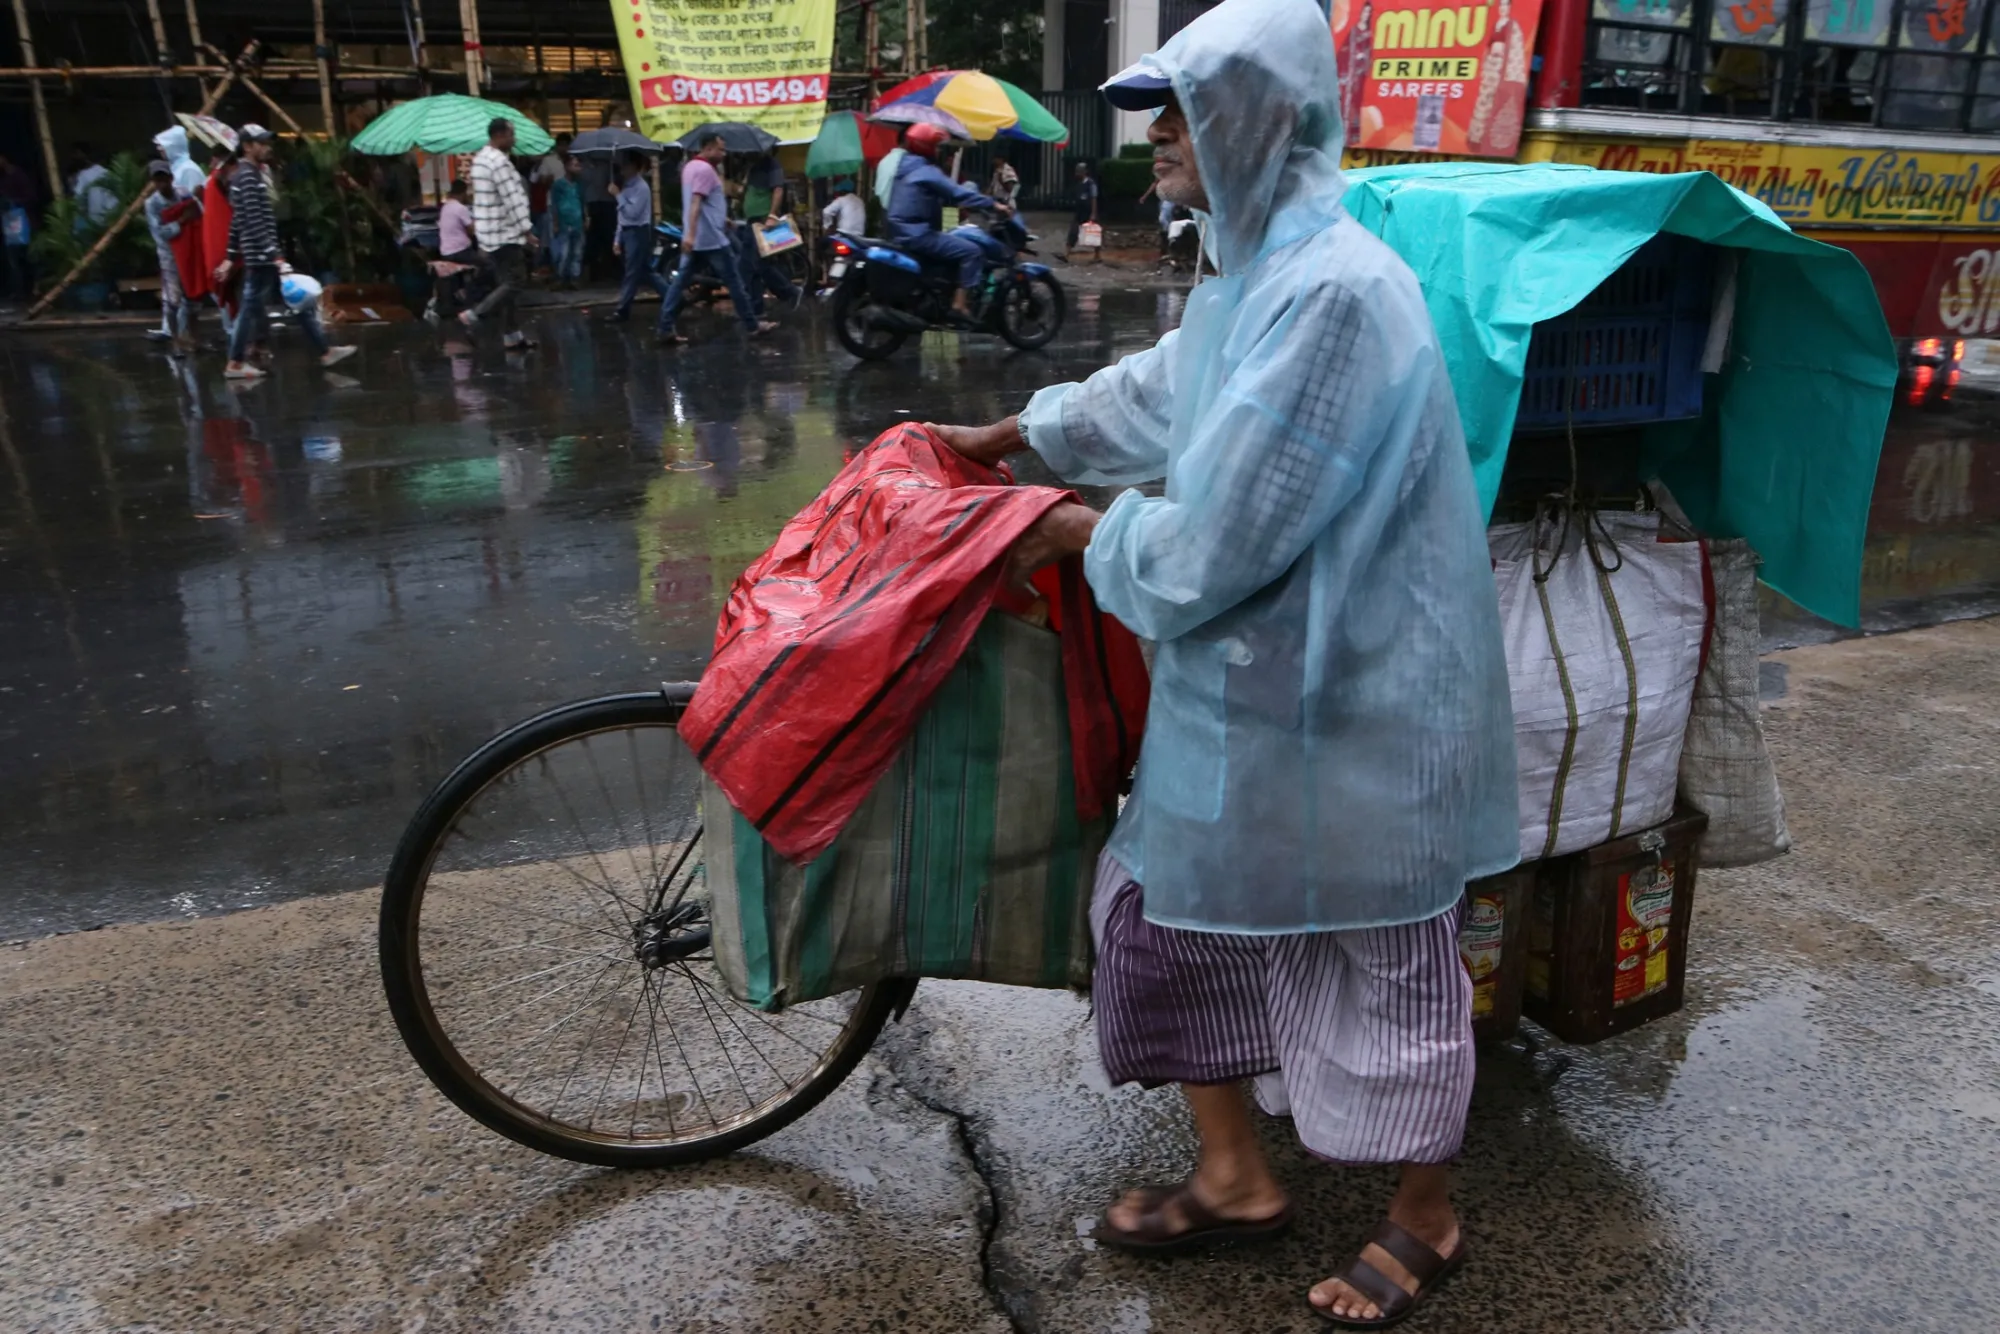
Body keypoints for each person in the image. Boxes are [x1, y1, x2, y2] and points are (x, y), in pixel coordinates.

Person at [926, 0, 1517, 1324]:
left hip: (1359, 700)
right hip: (1247, 693)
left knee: (1384, 964)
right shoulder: (1255, 275)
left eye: (1183, 114)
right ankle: (1237, 1170)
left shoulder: (1342, 295)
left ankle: (1427, 1213)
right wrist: (1013, 433)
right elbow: (1161, 392)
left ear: (1263, 117)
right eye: (1158, 117)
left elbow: (1209, 547)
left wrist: (1060, 527)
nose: (1158, 144)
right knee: (1161, 910)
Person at [216, 125, 357, 379]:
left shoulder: (247, 175)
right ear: (247, 146)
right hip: (261, 256)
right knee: (251, 308)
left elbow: (238, 220)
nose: (267, 148)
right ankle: (235, 362)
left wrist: (229, 255)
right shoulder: (247, 177)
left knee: (297, 302)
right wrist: (275, 255)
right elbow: (253, 221)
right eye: (261, 143)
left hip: (260, 253)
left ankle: (325, 351)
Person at [655, 131, 774, 346]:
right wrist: (690, 235)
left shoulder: (691, 167)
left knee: (680, 282)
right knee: (735, 282)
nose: (724, 154)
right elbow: (696, 204)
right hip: (710, 239)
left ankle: (665, 327)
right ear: (708, 148)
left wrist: (723, 218)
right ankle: (752, 325)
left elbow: (705, 203)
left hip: (701, 237)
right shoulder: (704, 170)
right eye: (721, 149)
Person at [885, 122, 1004, 320]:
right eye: (937, 146)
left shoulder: (905, 167)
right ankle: (959, 305)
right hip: (918, 233)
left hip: (901, 229)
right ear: (926, 147)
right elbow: (957, 192)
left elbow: (938, 195)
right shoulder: (926, 171)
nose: (939, 150)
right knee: (972, 251)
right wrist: (993, 205)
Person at [464, 116, 538, 350]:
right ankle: (476, 315)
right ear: (499, 136)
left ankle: (512, 335)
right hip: (505, 233)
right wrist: (527, 230)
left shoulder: (480, 160)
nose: (514, 139)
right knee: (516, 281)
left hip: (489, 233)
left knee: (506, 285)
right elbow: (512, 199)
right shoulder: (499, 163)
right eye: (511, 134)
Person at [607, 150, 670, 320]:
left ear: (635, 167)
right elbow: (622, 216)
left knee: (632, 272)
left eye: (626, 166)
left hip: (638, 232)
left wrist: (618, 196)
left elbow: (632, 213)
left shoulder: (641, 187)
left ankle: (622, 309)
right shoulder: (626, 186)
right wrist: (617, 239)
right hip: (628, 232)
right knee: (645, 271)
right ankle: (674, 298)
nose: (622, 170)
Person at [143, 160, 195, 351]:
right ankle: (176, 340)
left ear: (171, 178)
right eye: (157, 181)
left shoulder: (183, 194)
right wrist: (181, 221)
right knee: (172, 299)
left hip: (188, 251)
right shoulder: (152, 204)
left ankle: (190, 337)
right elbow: (160, 232)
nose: (162, 184)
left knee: (191, 296)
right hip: (169, 256)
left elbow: (196, 211)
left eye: (164, 179)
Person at [432, 178, 476, 320]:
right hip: (461, 251)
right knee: (487, 264)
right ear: (463, 193)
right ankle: (476, 302)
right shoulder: (460, 208)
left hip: (446, 252)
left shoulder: (445, 207)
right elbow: (472, 230)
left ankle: (460, 296)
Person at [0, 152, 38, 300]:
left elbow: (31, 197)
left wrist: (13, 202)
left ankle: (31, 290)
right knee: (13, 260)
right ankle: (20, 292)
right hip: (8, 226)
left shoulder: (18, 175)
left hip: (24, 223)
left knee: (27, 258)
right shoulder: (2, 179)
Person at [579, 148, 617, 281]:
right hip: (592, 203)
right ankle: (592, 271)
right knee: (593, 238)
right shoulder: (583, 167)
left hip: (606, 203)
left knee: (607, 236)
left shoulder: (609, 166)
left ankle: (609, 269)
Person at [531, 132, 569, 262]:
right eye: (562, 145)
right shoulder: (549, 160)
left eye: (566, 145)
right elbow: (541, 180)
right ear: (558, 146)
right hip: (552, 203)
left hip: (570, 204)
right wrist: (549, 180)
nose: (564, 148)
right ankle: (557, 265)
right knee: (554, 235)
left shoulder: (574, 160)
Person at [549, 153, 585, 289]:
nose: (578, 168)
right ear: (566, 166)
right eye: (575, 165)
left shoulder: (579, 185)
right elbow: (555, 205)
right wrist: (556, 223)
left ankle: (574, 278)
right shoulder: (558, 185)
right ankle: (561, 278)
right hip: (565, 223)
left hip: (577, 222)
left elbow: (582, 201)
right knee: (563, 252)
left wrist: (586, 217)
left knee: (577, 252)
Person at [67, 145, 116, 227]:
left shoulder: (83, 175)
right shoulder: (107, 173)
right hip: (112, 219)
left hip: (92, 223)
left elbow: (79, 200)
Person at [1067, 159, 1099, 252]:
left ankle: (1097, 255)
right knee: (1073, 232)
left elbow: (1094, 198)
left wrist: (1093, 213)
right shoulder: (1078, 184)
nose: (1077, 173)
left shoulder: (1091, 184)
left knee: (1094, 234)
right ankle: (1067, 254)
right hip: (1079, 212)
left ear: (1084, 172)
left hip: (1088, 211)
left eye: (1079, 171)